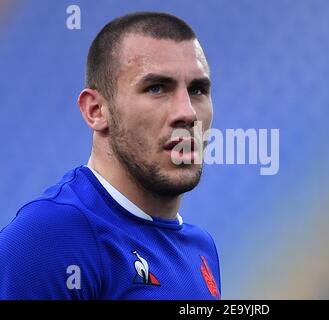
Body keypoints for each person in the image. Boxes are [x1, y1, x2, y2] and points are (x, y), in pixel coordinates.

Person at [0, 12, 220, 300]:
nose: (187, 113)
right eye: (156, 88)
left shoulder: (202, 248)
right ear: (95, 111)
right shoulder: (46, 239)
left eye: (197, 90)